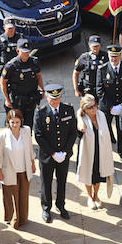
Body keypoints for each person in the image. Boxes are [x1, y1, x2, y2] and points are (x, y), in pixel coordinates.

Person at [34, 84, 79, 221]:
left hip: (64, 155)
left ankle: (61, 205)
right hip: (48, 156)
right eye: (52, 98)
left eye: (57, 98)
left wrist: (65, 152)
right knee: (46, 182)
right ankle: (46, 208)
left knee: (62, 181)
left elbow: (73, 133)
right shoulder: (40, 112)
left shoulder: (68, 110)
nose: (55, 101)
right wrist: (53, 153)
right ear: (47, 97)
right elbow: (38, 135)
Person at [0, 108, 34, 229]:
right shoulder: (3, 135)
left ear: (21, 121)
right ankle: (13, 218)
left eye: (17, 122)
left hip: (24, 169)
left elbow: (30, 149)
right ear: (8, 122)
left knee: (23, 195)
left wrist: (32, 163)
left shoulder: (26, 131)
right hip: (9, 170)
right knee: (11, 196)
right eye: (12, 122)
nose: (15, 125)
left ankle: (23, 218)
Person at [77, 96, 113, 209]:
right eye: (90, 107)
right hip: (87, 151)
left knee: (98, 175)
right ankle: (90, 197)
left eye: (95, 105)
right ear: (84, 109)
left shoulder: (101, 115)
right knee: (89, 174)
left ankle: (96, 196)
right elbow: (82, 129)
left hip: (101, 150)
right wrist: (78, 115)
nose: (94, 109)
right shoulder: (82, 118)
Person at [1, 40, 45, 121]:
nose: (26, 54)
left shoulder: (34, 62)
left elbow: (38, 76)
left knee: (29, 123)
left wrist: (42, 90)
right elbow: (3, 82)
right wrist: (7, 100)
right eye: (24, 52)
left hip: (31, 98)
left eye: (28, 52)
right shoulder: (11, 66)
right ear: (18, 51)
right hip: (17, 100)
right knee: (16, 122)